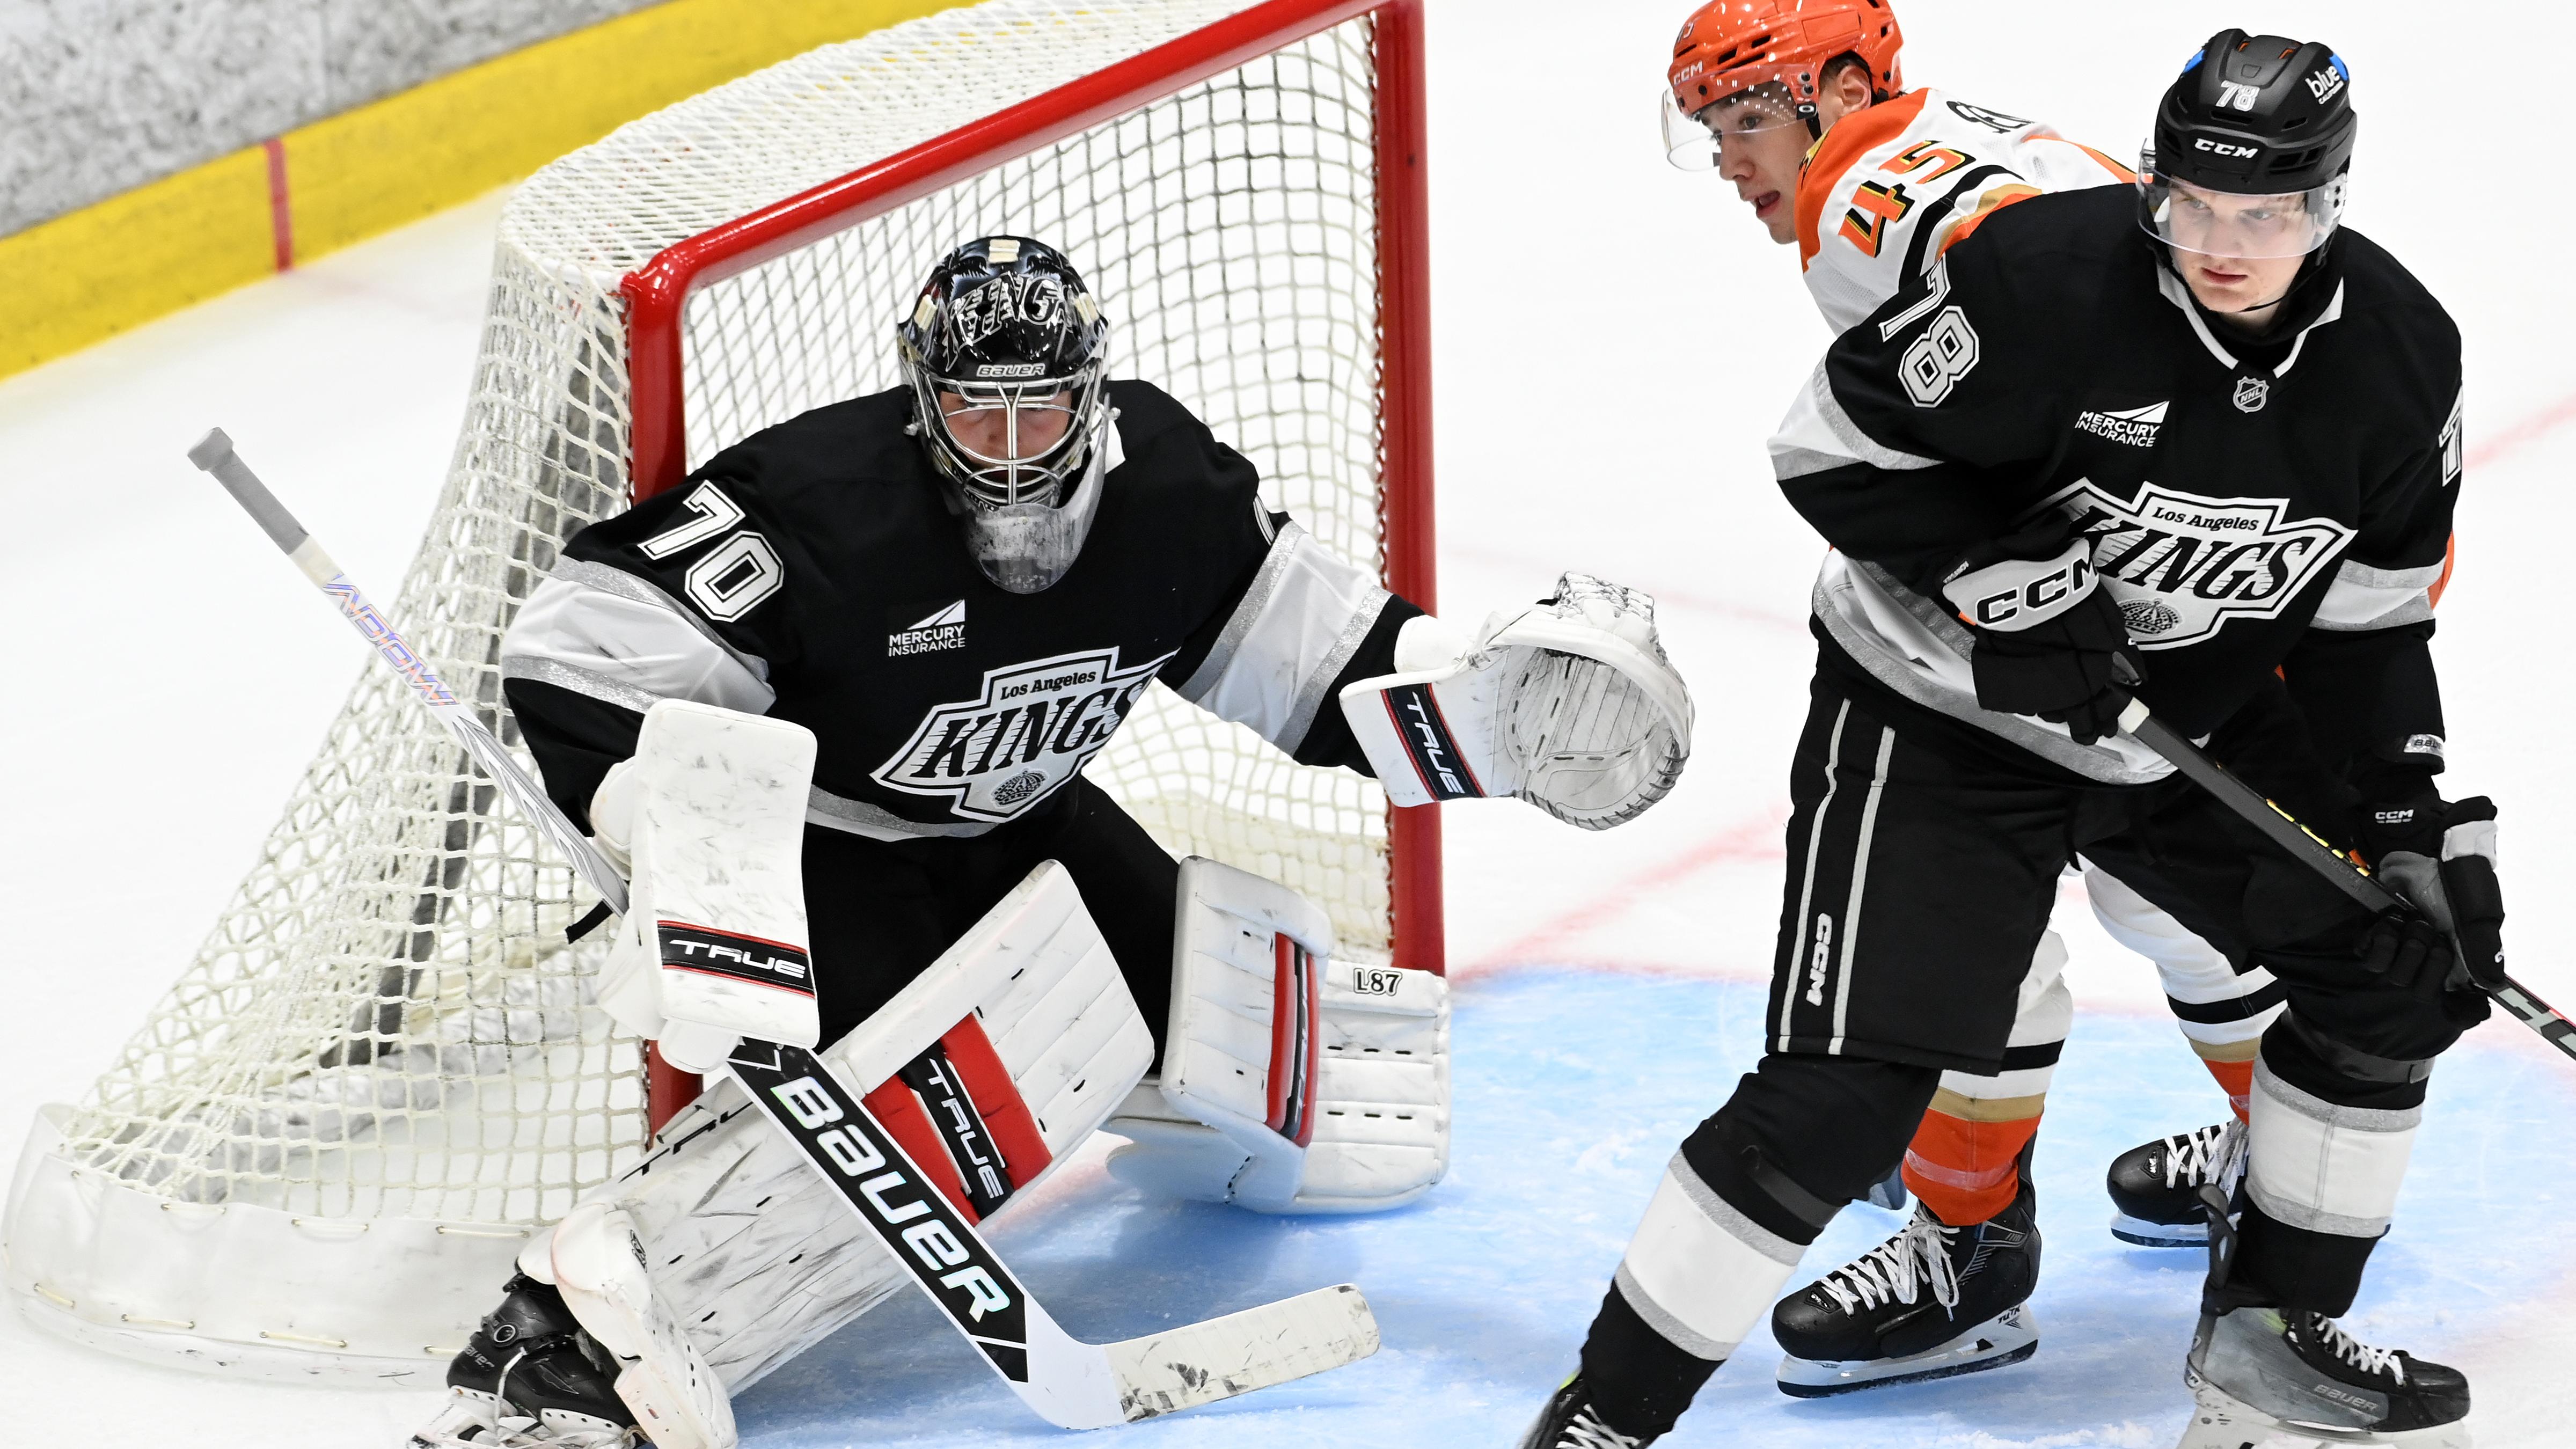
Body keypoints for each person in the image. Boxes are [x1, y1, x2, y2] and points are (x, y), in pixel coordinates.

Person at [405, 236, 1690, 1449]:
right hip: (828, 849)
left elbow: (1320, 671)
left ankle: (1120, 1110)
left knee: (1242, 1019)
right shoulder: (822, 509)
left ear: (1093, 394)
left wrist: (1474, 697)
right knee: (993, 1077)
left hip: (1024, 821)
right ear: (924, 403)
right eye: (977, 415)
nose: (1013, 453)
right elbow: (573, 656)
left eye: (1042, 413)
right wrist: (671, 842)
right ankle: (567, 1330)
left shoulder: (1168, 496)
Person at [1521, 31, 2486, 1447]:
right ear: (2156, 186)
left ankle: (2265, 1339)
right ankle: (1607, 1415)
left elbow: (2371, 627)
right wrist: (1999, 583)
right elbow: (1833, 448)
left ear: (2329, 205)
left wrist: (2401, 830)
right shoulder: (2046, 280)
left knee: (2402, 967)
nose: (2223, 245)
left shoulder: (2402, 364)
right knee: (1846, 1091)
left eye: (2265, 214)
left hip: (2181, 715)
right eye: (2196, 207)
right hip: (1939, 703)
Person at [1657, 0, 2315, 1398]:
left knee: (1967, 925)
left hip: (2133, 603)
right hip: (2217, 572)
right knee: (2163, 898)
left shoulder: (1864, 202)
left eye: (1746, 117)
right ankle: (2291, 1167)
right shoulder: (1980, 142)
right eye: (1711, 130)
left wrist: (2044, 592)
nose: (1731, 160)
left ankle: (1972, 1254)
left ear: (1839, 86)